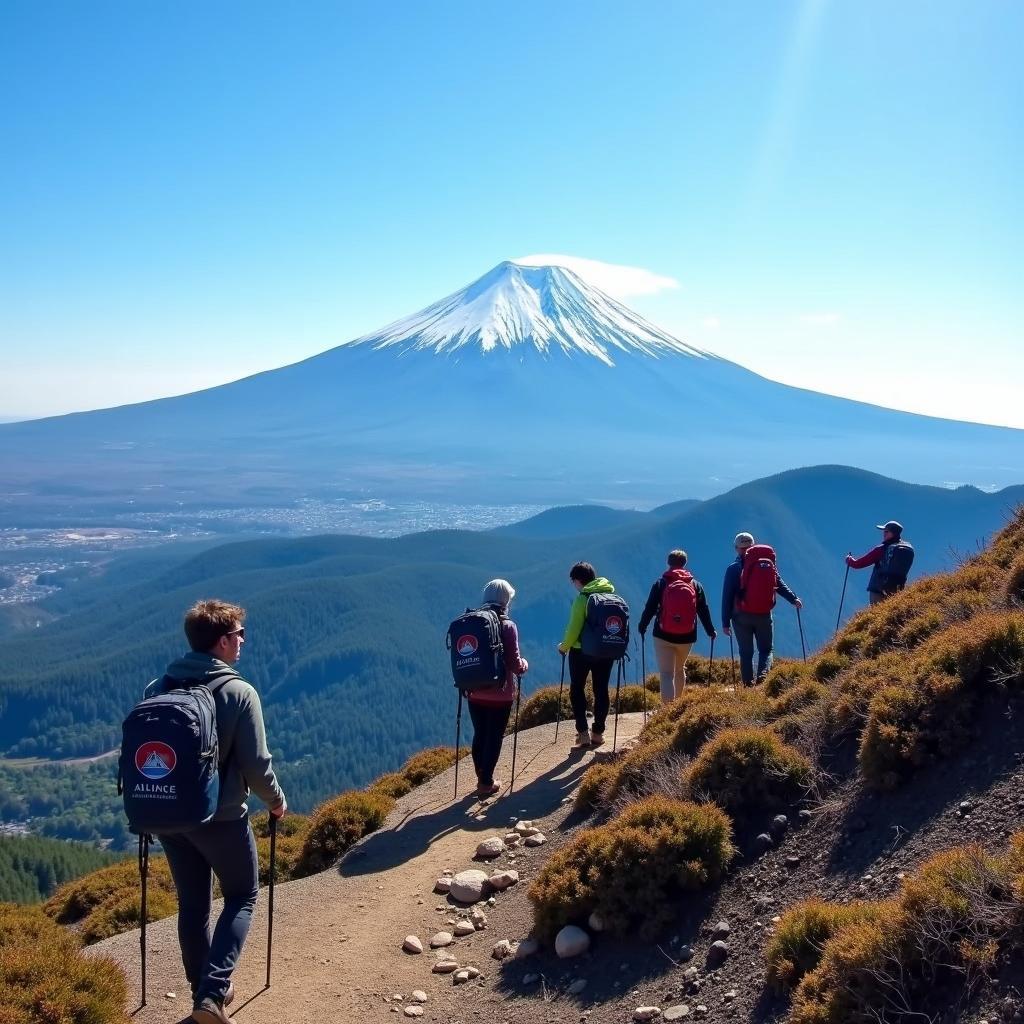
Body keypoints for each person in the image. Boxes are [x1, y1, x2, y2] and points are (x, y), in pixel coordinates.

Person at [146, 600, 286, 1024]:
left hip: (168, 816)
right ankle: (212, 993)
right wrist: (276, 801)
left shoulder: (158, 688)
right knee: (242, 896)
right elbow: (257, 766)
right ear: (223, 641)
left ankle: (202, 993)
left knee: (193, 907)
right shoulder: (238, 692)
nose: (243, 641)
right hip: (221, 819)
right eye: (239, 634)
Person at [467, 579, 528, 798]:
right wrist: (524, 666)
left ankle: (481, 774)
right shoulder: (508, 626)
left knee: (480, 734)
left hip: (473, 691)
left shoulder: (472, 621)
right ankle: (486, 783)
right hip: (501, 694)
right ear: (506, 600)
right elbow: (514, 663)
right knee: (494, 736)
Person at [721, 532, 803, 686]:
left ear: (737, 548)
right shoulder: (767, 564)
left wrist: (725, 622)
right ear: (753, 545)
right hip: (764, 614)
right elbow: (779, 584)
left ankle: (747, 686)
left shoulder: (733, 569)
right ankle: (763, 678)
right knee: (766, 650)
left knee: (746, 653)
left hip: (741, 616)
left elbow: (727, 596)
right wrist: (794, 599)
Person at [638, 549, 716, 703]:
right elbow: (703, 609)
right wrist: (710, 630)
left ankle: (667, 711)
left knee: (667, 674)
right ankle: (678, 707)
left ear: (668, 563)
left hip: (662, 635)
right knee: (680, 670)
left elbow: (650, 608)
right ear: (684, 563)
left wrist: (642, 626)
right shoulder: (695, 585)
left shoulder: (660, 583)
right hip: (687, 635)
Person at [557, 562, 617, 748]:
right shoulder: (610, 594)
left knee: (577, 689)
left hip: (581, 651)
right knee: (601, 690)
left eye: (573, 581)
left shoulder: (582, 599)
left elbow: (574, 628)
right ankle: (598, 733)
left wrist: (564, 646)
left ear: (578, 580)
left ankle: (582, 733)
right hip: (606, 650)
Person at [846, 520, 915, 604]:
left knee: (877, 614)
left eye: (886, 531)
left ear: (893, 533)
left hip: (878, 591)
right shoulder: (907, 548)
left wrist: (849, 560)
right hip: (897, 591)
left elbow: (858, 564)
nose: (884, 533)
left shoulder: (882, 549)